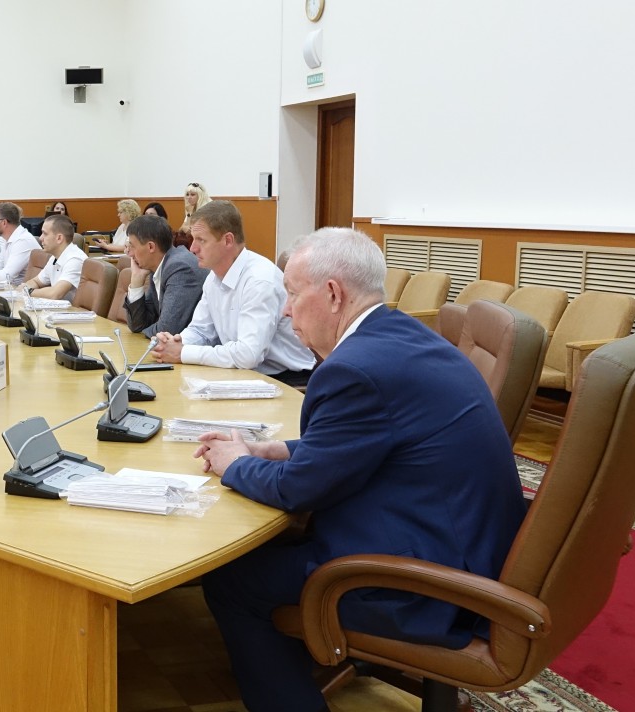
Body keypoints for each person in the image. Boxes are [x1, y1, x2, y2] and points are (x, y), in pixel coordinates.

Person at [194, 227, 526, 712]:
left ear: (332, 294)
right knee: (274, 549)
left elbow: (297, 492)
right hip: (468, 548)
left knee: (232, 580)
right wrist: (276, 449)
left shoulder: (354, 370)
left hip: (427, 583)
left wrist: (234, 464)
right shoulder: (401, 335)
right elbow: (369, 442)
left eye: (291, 294)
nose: (286, 310)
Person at [151, 200, 314, 385]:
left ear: (228, 240)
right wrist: (175, 342)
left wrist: (183, 353)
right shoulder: (214, 277)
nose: (192, 248)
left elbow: (248, 355)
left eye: (201, 240)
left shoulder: (259, 280)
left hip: (287, 381)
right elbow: (201, 330)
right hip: (247, 374)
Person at [123, 214, 206, 337]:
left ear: (151, 246)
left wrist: (146, 331)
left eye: (132, 246)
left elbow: (167, 330)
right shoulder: (160, 265)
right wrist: (136, 281)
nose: (128, 253)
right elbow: (138, 325)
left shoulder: (179, 268)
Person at [22, 214, 86, 302]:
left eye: (45, 234)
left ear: (59, 238)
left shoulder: (75, 260)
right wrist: (27, 288)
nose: (40, 238)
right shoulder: (55, 257)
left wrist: (28, 291)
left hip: (73, 313)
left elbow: (55, 294)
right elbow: (36, 282)